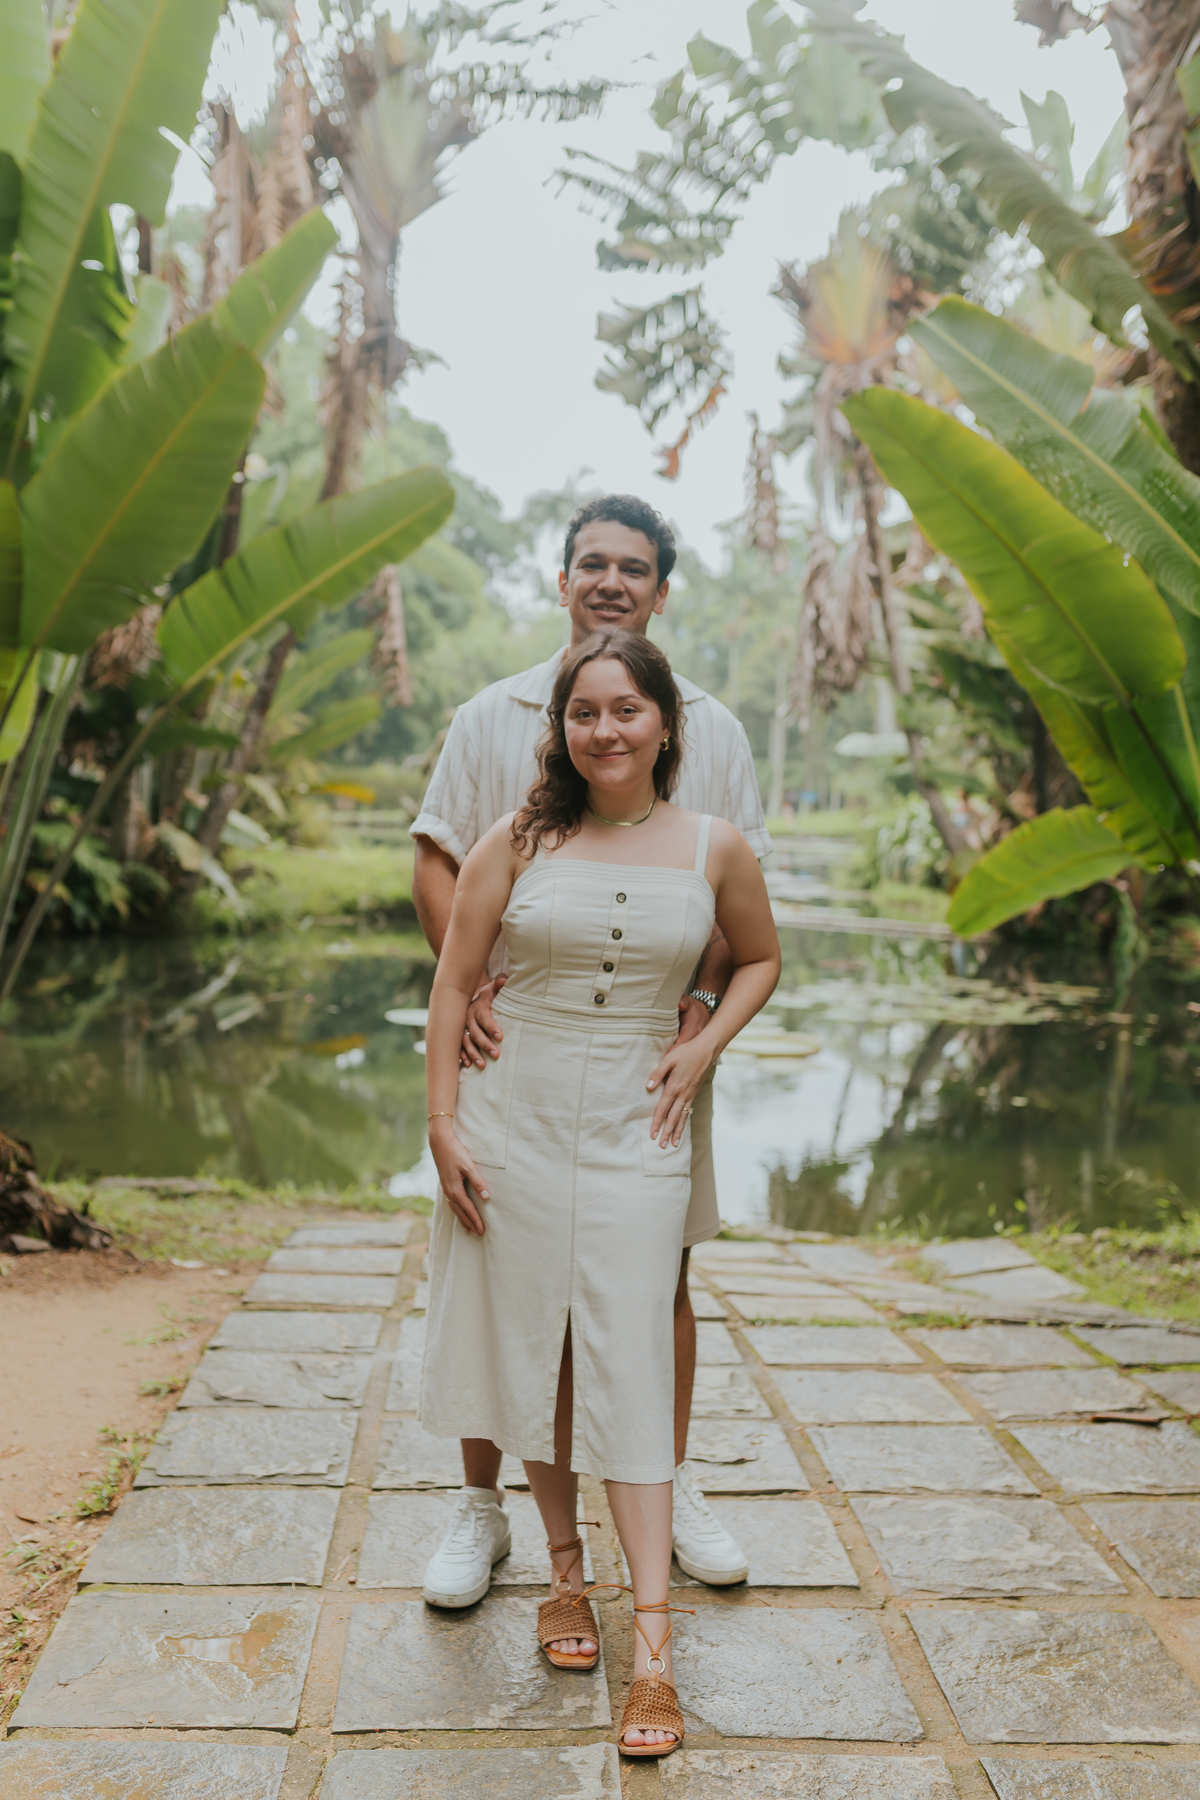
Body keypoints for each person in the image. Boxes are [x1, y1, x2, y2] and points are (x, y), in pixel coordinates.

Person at [421, 629, 780, 1756]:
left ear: (666, 724)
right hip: (512, 1118)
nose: (605, 730)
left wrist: (702, 1042)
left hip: (641, 1123)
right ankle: (565, 1577)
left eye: (627, 710)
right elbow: (453, 982)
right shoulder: (518, 838)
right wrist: (442, 1126)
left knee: (629, 1357)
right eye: (584, 713)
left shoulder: (714, 845)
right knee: (540, 1343)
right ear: (561, 729)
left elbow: (761, 958)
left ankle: (654, 1650)